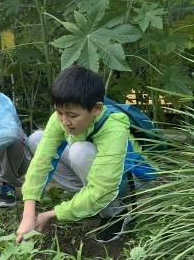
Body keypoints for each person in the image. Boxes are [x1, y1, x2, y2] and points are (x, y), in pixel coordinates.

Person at [16, 66, 156, 243]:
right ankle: (86, 201)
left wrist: (53, 214)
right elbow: (41, 162)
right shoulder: (61, 118)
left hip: (132, 181)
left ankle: (116, 212)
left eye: (72, 115)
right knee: (37, 138)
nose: (65, 121)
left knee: (80, 151)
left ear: (96, 109)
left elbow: (103, 188)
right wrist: (28, 214)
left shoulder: (114, 126)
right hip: (95, 172)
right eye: (59, 113)